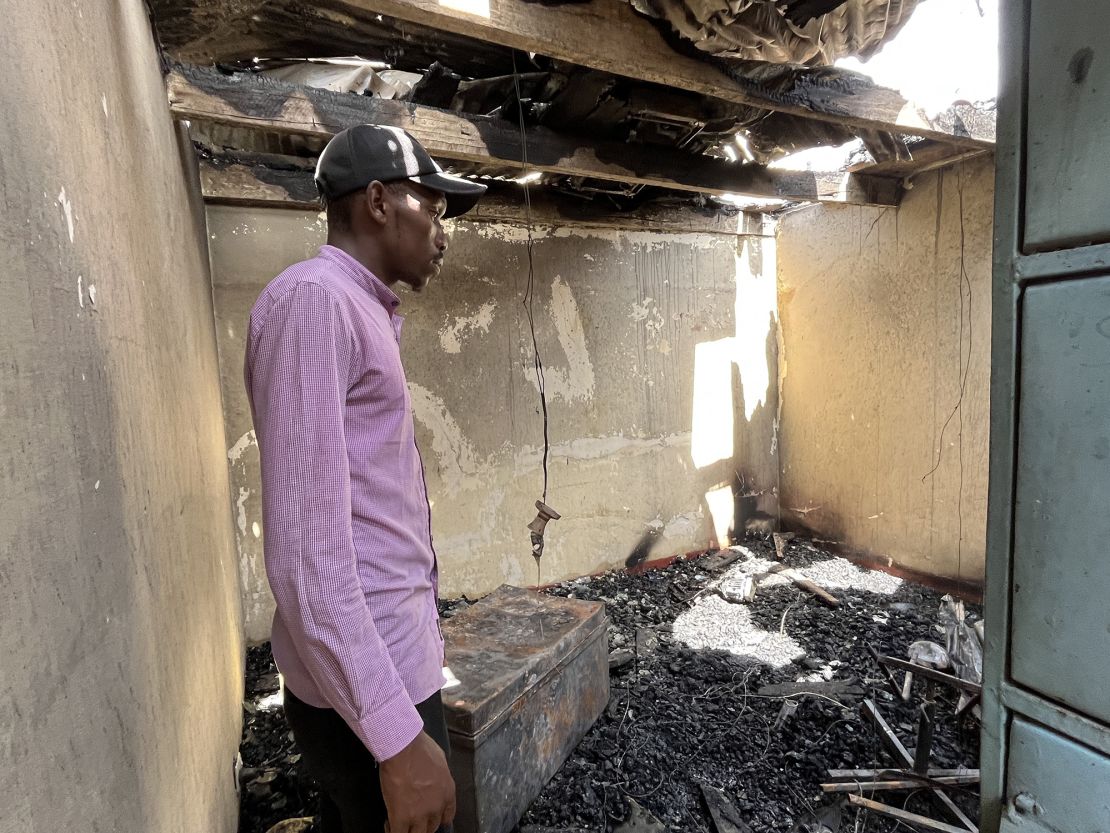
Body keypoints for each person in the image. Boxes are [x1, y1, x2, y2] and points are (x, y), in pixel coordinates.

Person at [244, 124, 487, 833]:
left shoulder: (354, 308)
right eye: (433, 208)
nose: (441, 232)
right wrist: (396, 739)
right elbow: (305, 559)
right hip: (367, 684)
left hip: (378, 666)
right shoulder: (315, 303)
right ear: (379, 201)